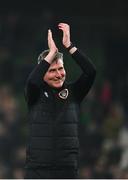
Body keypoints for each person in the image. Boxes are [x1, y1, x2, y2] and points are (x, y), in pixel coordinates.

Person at [24, 22, 96, 179]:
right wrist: (51, 54)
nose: (58, 74)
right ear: (43, 72)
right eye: (52, 70)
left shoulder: (74, 92)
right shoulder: (35, 93)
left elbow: (91, 72)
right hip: (37, 171)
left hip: (67, 170)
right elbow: (32, 82)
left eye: (61, 69)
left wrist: (69, 46)